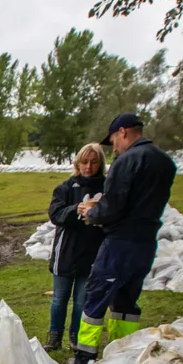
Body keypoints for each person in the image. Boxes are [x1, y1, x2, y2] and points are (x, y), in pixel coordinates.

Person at [69, 113, 177, 364]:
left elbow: (113, 206)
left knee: (97, 295)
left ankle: (84, 356)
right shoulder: (165, 162)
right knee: (127, 299)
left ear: (123, 132)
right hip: (146, 242)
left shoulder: (127, 161)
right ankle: (122, 351)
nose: (114, 148)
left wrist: (92, 212)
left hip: (120, 242)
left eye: (114, 141)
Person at [44, 143, 107, 351]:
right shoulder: (65, 188)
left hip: (92, 253)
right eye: (84, 162)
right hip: (66, 252)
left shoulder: (107, 188)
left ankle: (75, 336)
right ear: (77, 164)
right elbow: (55, 214)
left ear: (100, 164)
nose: (88, 167)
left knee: (82, 300)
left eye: (94, 162)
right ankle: (54, 336)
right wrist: (75, 210)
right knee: (59, 298)